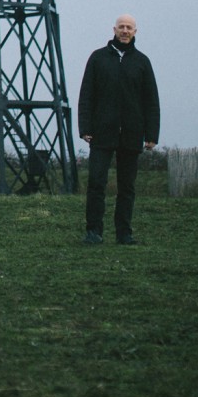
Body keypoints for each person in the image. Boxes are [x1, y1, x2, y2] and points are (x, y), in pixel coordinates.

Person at [78, 14, 160, 245]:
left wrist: (151, 135)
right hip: (102, 132)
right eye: (121, 27)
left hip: (132, 133)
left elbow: (151, 100)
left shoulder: (142, 62)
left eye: (129, 28)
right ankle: (94, 231)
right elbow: (86, 95)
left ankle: (124, 233)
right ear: (114, 29)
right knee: (96, 183)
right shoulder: (98, 58)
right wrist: (84, 128)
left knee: (127, 187)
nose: (125, 30)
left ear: (135, 31)